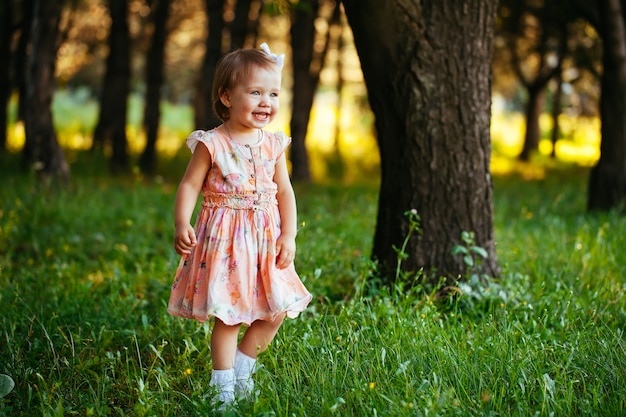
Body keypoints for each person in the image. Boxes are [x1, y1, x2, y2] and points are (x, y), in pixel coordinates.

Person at [167, 43, 312, 409]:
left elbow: (285, 192)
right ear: (227, 96)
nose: (266, 101)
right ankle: (222, 388)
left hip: (266, 240)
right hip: (225, 241)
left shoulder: (274, 145)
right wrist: (182, 221)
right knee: (229, 316)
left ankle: (244, 369)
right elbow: (189, 185)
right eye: (256, 92)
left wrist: (289, 234)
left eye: (273, 93)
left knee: (277, 310)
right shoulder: (212, 143)